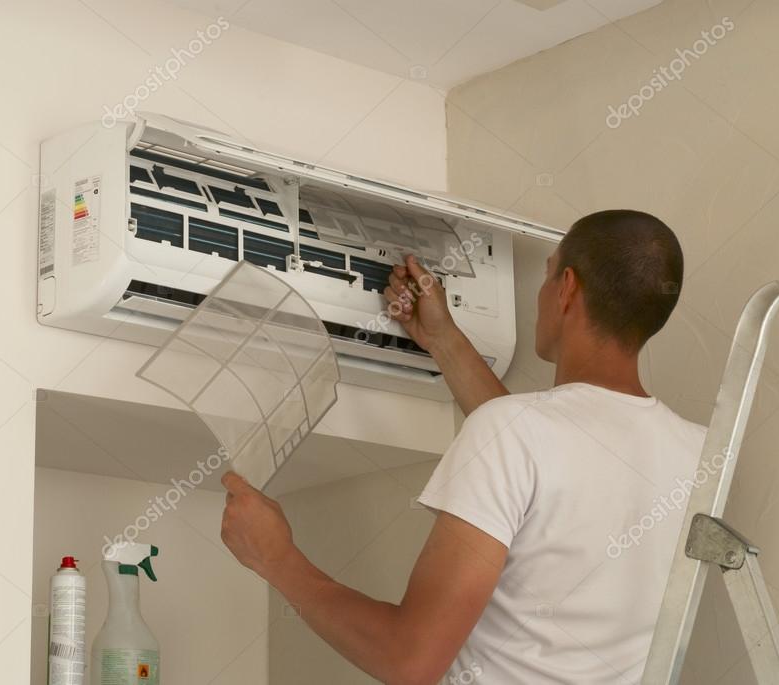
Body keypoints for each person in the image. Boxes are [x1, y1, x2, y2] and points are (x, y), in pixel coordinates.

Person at [220, 209, 706, 684]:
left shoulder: (516, 433)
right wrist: (444, 340)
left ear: (568, 288)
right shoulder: (698, 454)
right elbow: (549, 453)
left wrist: (276, 559)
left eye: (546, 275)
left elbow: (409, 661)